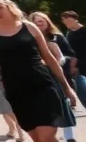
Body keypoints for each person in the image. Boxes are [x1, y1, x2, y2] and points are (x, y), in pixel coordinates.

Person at [0, 0, 76, 142]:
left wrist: (66, 87)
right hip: (16, 90)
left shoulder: (29, 27)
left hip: (42, 85)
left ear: (9, 6)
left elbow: (49, 58)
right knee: (37, 139)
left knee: (46, 136)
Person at [29, 12, 77, 142]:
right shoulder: (30, 39)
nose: (39, 24)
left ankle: (69, 137)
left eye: (41, 21)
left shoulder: (57, 37)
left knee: (65, 104)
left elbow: (69, 54)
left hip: (59, 75)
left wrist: (58, 60)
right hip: (40, 77)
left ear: (47, 22)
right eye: (35, 22)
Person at [60, 11, 86, 108]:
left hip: (81, 65)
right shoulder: (69, 34)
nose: (65, 22)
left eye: (68, 19)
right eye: (64, 20)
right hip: (75, 67)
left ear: (75, 19)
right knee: (81, 92)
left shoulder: (84, 31)